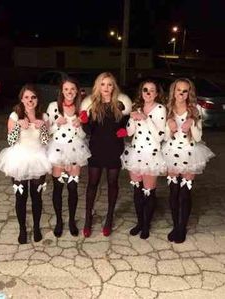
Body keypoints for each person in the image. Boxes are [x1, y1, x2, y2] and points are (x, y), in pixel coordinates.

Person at [0, 84, 51, 244]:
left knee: (36, 196)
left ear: (37, 99)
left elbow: (46, 141)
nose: (30, 100)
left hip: (38, 158)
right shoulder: (14, 115)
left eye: (33, 97)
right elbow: (11, 141)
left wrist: (44, 128)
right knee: (21, 197)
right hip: (19, 157)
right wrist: (18, 126)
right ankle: (22, 230)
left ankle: (37, 227)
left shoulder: (44, 116)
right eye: (26, 97)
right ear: (21, 99)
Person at [162, 78, 215, 243]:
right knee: (173, 192)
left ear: (189, 93)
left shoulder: (195, 108)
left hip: (190, 153)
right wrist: (169, 122)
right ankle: (175, 225)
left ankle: (182, 227)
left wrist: (192, 121)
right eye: (179, 90)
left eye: (185, 91)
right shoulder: (167, 109)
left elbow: (198, 137)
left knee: (185, 194)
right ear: (174, 91)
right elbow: (164, 136)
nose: (181, 94)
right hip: (171, 152)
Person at [80, 72, 132, 237]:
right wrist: (84, 121)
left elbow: (127, 125)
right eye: (103, 84)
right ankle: (88, 218)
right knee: (92, 183)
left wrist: (125, 131)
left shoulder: (121, 104)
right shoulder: (91, 104)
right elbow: (88, 131)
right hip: (96, 148)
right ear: (98, 86)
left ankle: (109, 217)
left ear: (114, 86)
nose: (106, 88)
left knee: (112, 183)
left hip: (114, 148)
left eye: (109, 84)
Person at [121, 79, 167, 239]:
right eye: (145, 90)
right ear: (141, 92)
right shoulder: (138, 108)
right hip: (136, 153)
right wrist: (133, 119)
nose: (148, 93)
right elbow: (129, 132)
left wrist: (145, 118)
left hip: (151, 154)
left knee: (149, 191)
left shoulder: (160, 109)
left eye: (151, 90)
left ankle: (146, 225)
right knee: (137, 191)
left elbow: (160, 136)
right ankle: (140, 222)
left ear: (156, 93)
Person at [46, 77, 90, 237]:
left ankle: (71, 221)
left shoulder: (81, 108)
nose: (69, 92)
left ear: (77, 91)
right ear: (62, 91)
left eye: (72, 89)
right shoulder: (53, 107)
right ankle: (59, 221)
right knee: (58, 188)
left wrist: (80, 124)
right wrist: (56, 123)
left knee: (72, 188)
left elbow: (84, 134)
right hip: (57, 149)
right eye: (66, 89)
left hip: (75, 150)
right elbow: (47, 132)